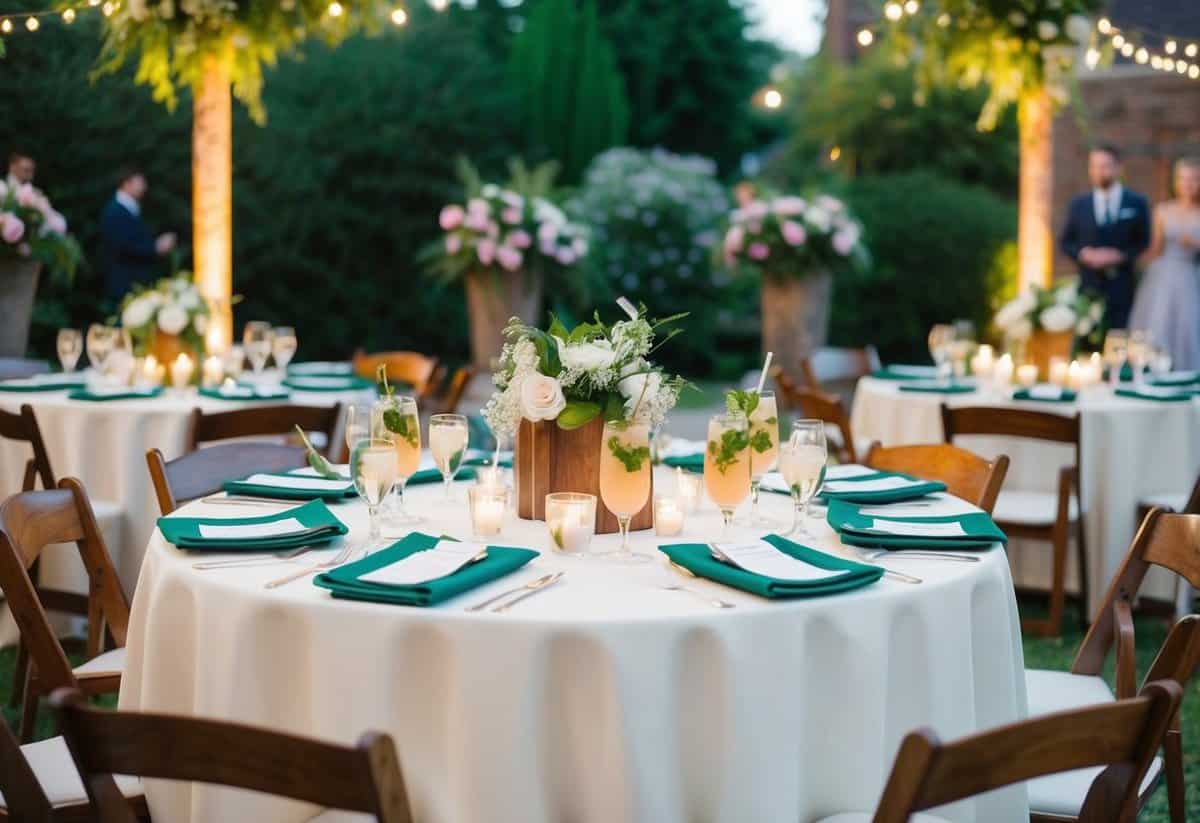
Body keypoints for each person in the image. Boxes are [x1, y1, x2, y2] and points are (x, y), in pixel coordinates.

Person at [1059, 144, 1151, 330]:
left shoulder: (1136, 202)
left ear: (1118, 168)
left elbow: (1144, 240)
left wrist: (1120, 255)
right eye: (1095, 166)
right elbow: (1065, 242)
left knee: (1119, 337)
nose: (1100, 171)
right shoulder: (1078, 204)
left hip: (1122, 286)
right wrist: (1083, 254)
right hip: (1088, 286)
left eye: (1106, 165)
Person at [1128, 157, 1200, 371]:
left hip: (1189, 274)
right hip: (1163, 274)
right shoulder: (1163, 210)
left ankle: (1186, 372)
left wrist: (1196, 244)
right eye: (1183, 179)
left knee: (1187, 325)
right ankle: (1155, 371)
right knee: (1158, 323)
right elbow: (1155, 249)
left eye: (1194, 179)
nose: (1188, 184)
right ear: (1175, 181)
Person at [99, 166, 176, 302]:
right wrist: (156, 248)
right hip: (125, 283)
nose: (144, 187)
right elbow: (123, 246)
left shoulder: (128, 209)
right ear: (126, 183)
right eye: (139, 182)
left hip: (134, 283)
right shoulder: (115, 211)